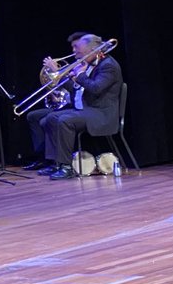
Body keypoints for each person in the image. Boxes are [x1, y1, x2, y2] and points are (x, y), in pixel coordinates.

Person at [42, 34, 123, 180]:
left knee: (65, 120)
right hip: (88, 109)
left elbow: (96, 88)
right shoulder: (89, 64)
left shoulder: (108, 65)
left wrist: (80, 75)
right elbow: (77, 89)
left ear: (92, 49)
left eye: (78, 48)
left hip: (102, 114)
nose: (74, 52)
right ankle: (56, 163)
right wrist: (62, 75)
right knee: (51, 117)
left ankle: (67, 167)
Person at [22, 32, 91, 174]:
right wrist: (54, 92)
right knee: (33, 116)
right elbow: (69, 88)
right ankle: (43, 158)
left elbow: (81, 89)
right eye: (72, 47)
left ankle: (57, 162)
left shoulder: (87, 67)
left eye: (76, 46)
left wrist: (57, 71)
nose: (73, 50)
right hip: (67, 104)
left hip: (79, 107)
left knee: (49, 119)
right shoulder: (75, 65)